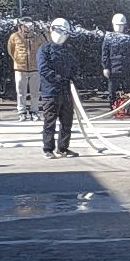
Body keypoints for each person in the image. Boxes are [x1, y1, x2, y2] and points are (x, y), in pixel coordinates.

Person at [35, 20, 82, 158]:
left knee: (67, 121)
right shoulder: (44, 49)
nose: (61, 35)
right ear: (52, 31)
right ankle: (48, 149)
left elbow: (74, 67)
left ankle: (63, 148)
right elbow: (43, 69)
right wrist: (57, 78)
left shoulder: (68, 50)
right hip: (50, 92)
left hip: (66, 91)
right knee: (50, 121)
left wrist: (74, 78)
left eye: (64, 32)